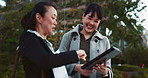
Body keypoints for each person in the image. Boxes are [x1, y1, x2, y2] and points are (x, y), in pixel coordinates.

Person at [19, 2, 87, 78]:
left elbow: (48, 66)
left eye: (56, 19)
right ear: (39, 18)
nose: (55, 23)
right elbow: (45, 60)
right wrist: (75, 54)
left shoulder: (45, 43)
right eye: (53, 18)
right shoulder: (29, 37)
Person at [59, 3, 113, 78]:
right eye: (89, 18)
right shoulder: (68, 37)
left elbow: (109, 69)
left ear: (99, 22)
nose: (91, 23)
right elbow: (59, 63)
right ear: (83, 16)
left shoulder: (104, 41)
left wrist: (105, 72)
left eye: (96, 21)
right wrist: (76, 67)